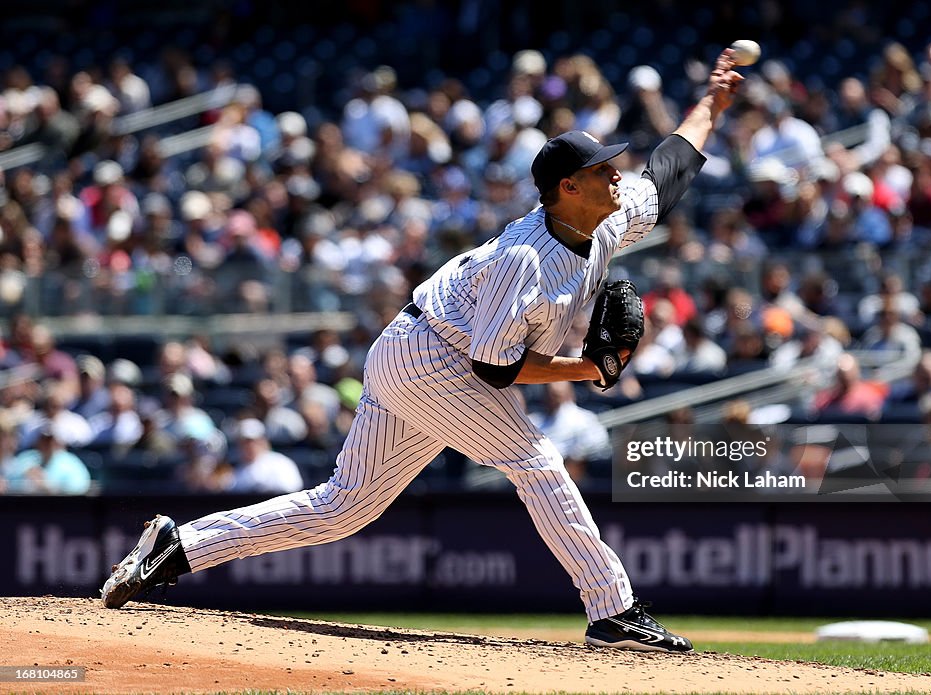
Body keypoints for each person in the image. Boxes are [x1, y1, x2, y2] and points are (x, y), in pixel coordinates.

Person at [100, 48, 746, 654]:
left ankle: (176, 545)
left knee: (343, 506)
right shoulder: (526, 256)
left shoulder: (604, 216)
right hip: (432, 355)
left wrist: (712, 105)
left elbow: (670, 169)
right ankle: (612, 609)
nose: (616, 174)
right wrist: (591, 368)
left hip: (415, 350)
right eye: (602, 169)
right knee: (537, 459)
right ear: (567, 188)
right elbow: (491, 368)